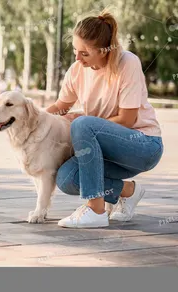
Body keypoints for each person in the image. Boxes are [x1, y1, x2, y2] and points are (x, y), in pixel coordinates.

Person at [45, 10, 163, 228]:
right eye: (75, 51)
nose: (77, 59)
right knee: (66, 178)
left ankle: (95, 210)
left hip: (143, 146)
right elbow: (62, 106)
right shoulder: (76, 70)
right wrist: (32, 119)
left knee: (82, 123)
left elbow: (127, 120)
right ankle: (128, 191)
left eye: (85, 53)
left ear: (103, 51)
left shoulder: (128, 63)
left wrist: (84, 121)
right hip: (105, 150)